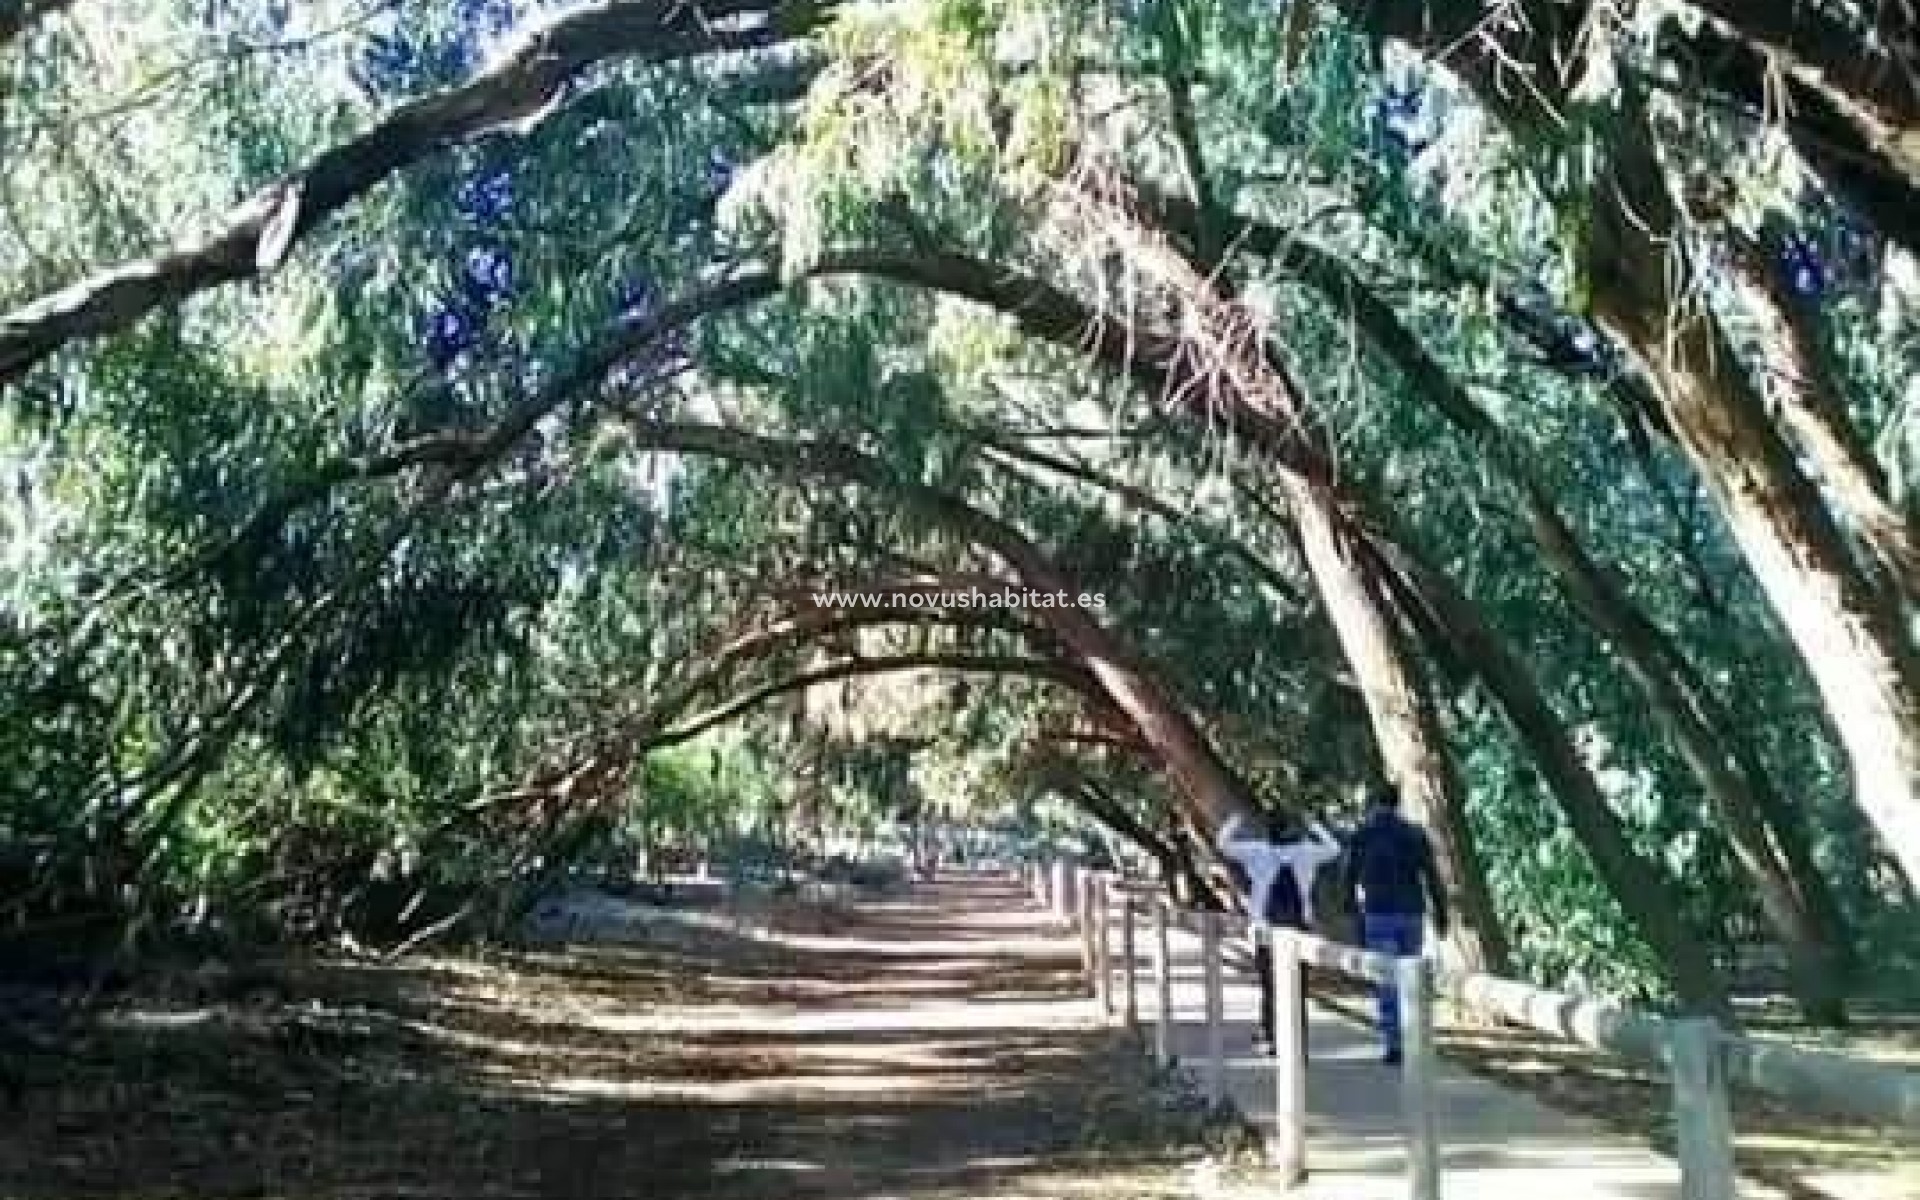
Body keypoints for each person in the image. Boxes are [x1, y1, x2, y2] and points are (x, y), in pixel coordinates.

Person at [1216, 810, 1343, 1053]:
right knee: (1299, 989)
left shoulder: (1257, 851)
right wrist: (1314, 825)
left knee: (1270, 986)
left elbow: (1222, 844)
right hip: (1298, 930)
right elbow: (1334, 849)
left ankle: (1273, 1038)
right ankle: (1299, 1041)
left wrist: (1236, 820)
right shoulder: (1307, 852)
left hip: (1266, 930)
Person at [1342, 782, 1450, 1065]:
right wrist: (1441, 911)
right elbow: (1431, 874)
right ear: (1397, 803)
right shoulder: (1414, 833)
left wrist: (1351, 910)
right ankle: (1414, 1036)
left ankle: (1394, 1043)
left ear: (1374, 803)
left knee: (1387, 979)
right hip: (1411, 912)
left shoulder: (1362, 834)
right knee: (1410, 976)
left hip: (1378, 912)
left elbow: (1349, 875)